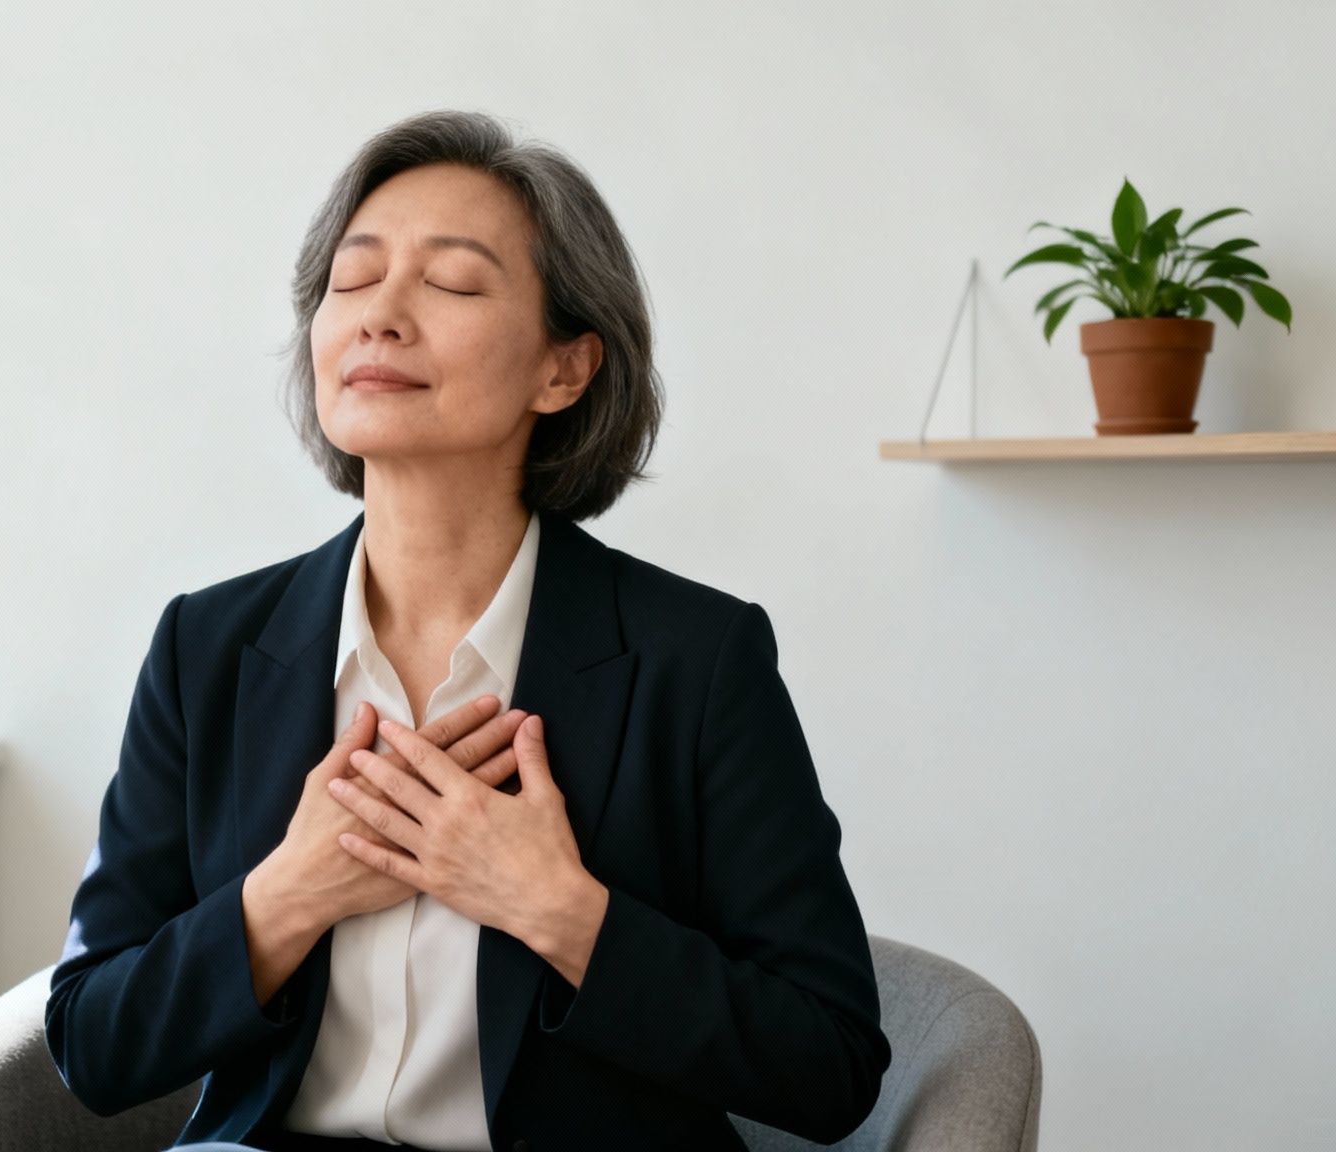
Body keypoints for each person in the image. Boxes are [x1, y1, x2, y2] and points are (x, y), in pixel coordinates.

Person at [46, 109, 890, 1152]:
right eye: (352, 280)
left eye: (450, 283)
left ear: (563, 370)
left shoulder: (697, 660)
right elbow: (91, 1043)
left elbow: (828, 1064)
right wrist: (286, 896)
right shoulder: (204, 649)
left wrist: (556, 910)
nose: (379, 316)